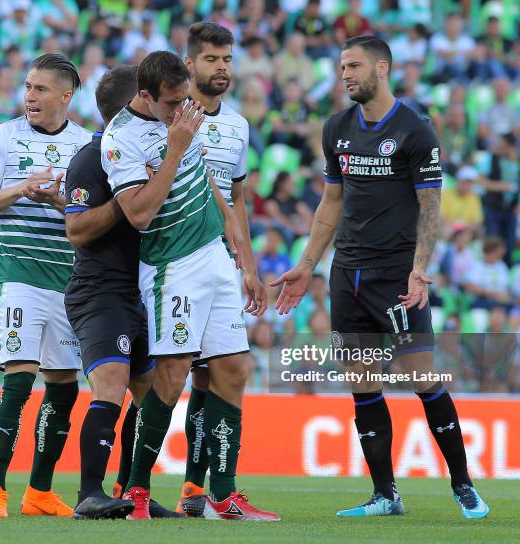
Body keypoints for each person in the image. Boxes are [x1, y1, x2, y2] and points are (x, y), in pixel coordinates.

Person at [272, 36, 489, 519]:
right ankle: (385, 494)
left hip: (395, 275)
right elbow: (331, 201)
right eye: (341, 67)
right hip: (346, 273)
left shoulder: (415, 131)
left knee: (420, 378)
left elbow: (430, 209)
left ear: (383, 68)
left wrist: (419, 269)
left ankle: (463, 485)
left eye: (353, 66)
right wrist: (308, 265)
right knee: (363, 385)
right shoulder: (336, 128)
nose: (345, 74)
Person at [102, 50, 279, 521]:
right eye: (173, 101)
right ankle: (137, 489)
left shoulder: (184, 117)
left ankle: (221, 495)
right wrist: (177, 146)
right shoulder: (121, 138)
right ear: (145, 95)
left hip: (214, 257)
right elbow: (138, 214)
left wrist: (241, 251)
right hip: (171, 265)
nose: (184, 109)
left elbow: (211, 182)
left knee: (235, 368)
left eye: (186, 100)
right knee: (175, 371)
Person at [0, 53, 92, 519]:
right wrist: (20, 189)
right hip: (19, 276)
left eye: (40, 89)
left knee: (64, 389)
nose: (29, 97)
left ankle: (39, 492)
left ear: (65, 95)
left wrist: (59, 200)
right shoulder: (4, 136)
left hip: (68, 281)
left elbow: (92, 217)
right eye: (27, 87)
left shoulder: (86, 145)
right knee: (18, 382)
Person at [64, 65, 180, 520]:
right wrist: (125, 197)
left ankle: (134, 493)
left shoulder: (154, 153)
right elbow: (76, 229)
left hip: (144, 291)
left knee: (150, 393)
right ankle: (88, 493)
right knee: (111, 383)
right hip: (100, 290)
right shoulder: (91, 160)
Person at [176, 22, 267, 517]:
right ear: (190, 63)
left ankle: (198, 489)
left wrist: (248, 268)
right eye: (212, 59)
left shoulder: (237, 126)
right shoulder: (171, 117)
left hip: (219, 266)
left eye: (228, 59)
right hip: (172, 263)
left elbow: (239, 199)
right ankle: (135, 486)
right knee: (165, 378)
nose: (223, 68)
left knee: (214, 376)